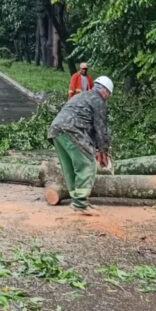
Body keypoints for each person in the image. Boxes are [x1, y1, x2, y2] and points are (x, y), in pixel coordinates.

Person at [48, 75, 113, 215]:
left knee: (69, 166)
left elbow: (90, 127)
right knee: (88, 163)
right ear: (105, 91)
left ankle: (76, 200)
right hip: (72, 130)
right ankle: (80, 204)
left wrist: (97, 148)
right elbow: (100, 128)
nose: (107, 98)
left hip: (56, 131)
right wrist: (104, 152)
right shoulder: (98, 100)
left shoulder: (82, 96)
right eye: (108, 95)